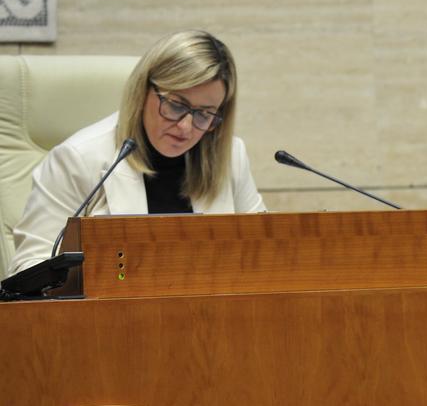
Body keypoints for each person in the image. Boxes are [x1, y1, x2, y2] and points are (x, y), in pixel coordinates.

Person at [8, 29, 266, 276]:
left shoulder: (231, 156)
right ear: (143, 91)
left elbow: (263, 252)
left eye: (204, 114)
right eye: (176, 105)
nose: (186, 127)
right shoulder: (78, 159)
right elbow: (30, 268)